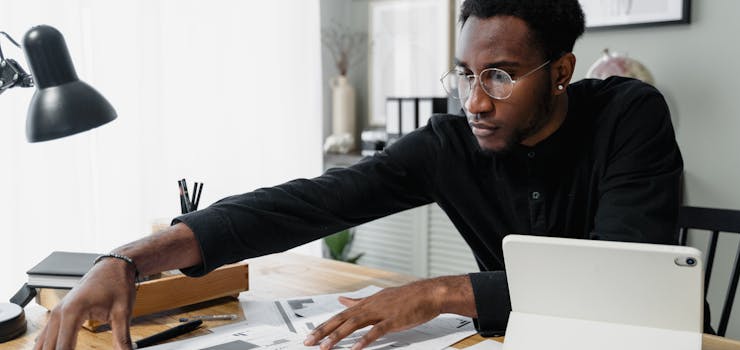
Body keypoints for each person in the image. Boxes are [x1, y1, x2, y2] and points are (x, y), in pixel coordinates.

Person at [34, 0, 688, 349]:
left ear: (562, 72)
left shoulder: (630, 114)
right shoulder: (450, 143)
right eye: (464, 74)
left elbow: (617, 274)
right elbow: (306, 204)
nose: (475, 101)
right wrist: (124, 260)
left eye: (499, 76)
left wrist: (433, 295)